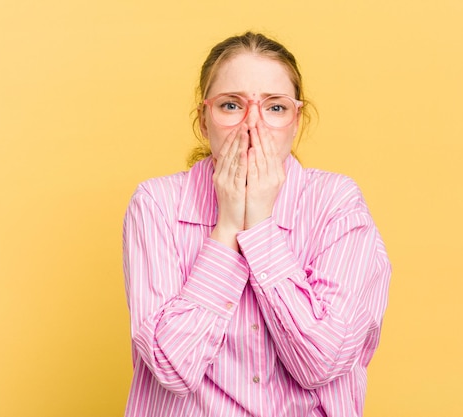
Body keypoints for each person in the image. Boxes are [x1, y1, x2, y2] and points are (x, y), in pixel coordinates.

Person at [122, 32, 391, 417]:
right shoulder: (156, 205)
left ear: (297, 120)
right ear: (203, 119)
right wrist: (229, 224)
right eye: (231, 105)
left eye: (275, 108)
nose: (253, 126)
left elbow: (322, 362)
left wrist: (260, 226)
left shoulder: (337, 203)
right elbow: (171, 367)